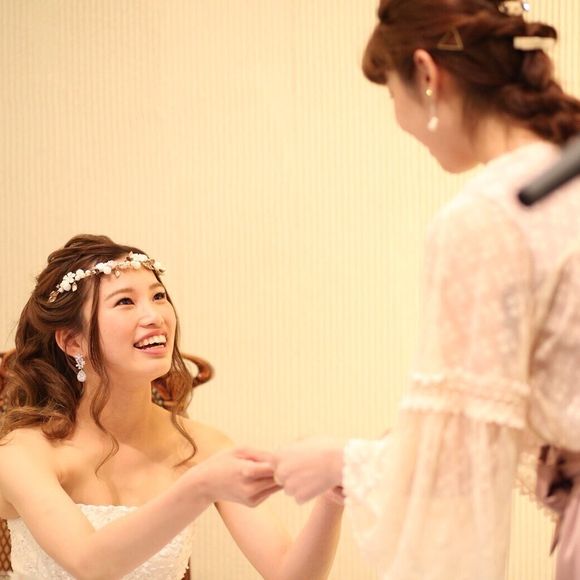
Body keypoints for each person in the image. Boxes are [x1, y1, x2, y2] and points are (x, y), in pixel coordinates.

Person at [271, 1, 580, 579]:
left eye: (392, 93)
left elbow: (461, 454)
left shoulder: (491, 215)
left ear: (426, 73)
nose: (399, 118)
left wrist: (340, 461)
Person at [0, 234, 343, 579]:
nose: (154, 316)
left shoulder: (202, 445)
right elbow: (91, 564)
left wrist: (331, 499)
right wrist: (200, 486)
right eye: (125, 301)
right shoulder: (21, 453)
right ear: (73, 341)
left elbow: (290, 575)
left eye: (159, 296)